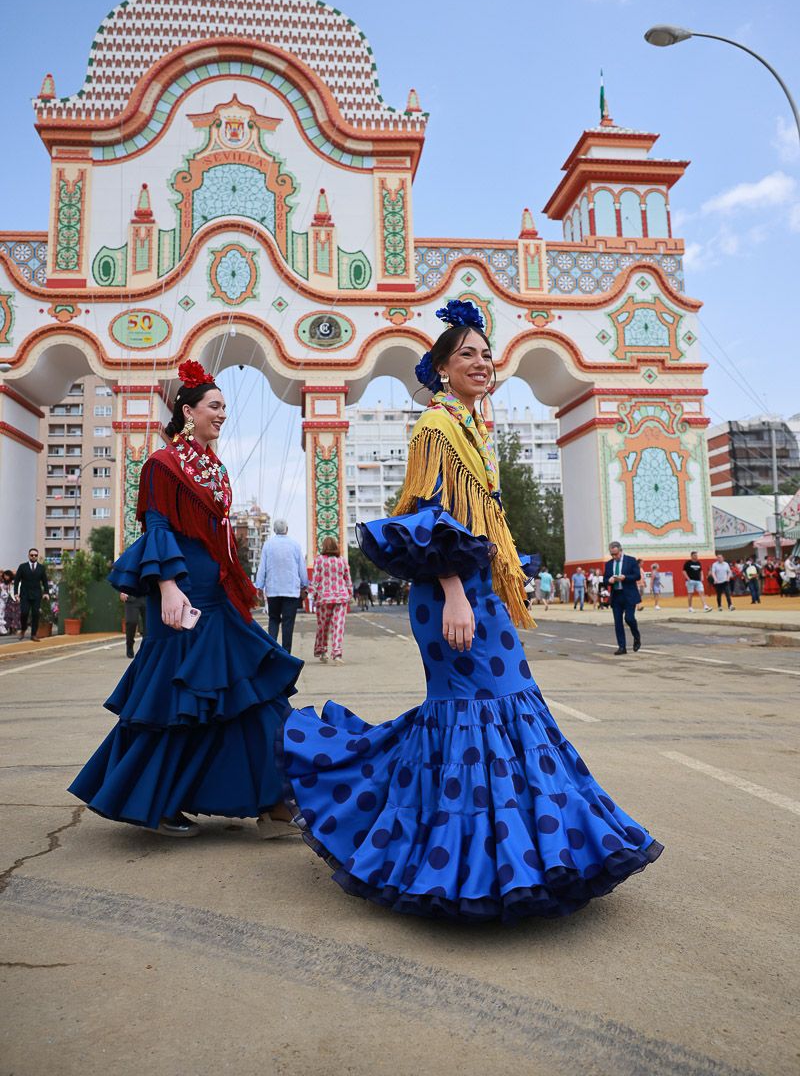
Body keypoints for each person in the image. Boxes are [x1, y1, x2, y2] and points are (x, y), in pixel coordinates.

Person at [279, 299, 662, 921]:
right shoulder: (436, 428)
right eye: (467, 355)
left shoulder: (472, 427)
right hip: (452, 592)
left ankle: (508, 857)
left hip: (477, 589)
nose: (482, 363)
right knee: (477, 715)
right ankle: (473, 865)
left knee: (500, 709)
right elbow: (429, 516)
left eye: (486, 354)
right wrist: (455, 590)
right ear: (441, 367)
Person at [68, 360, 301, 839]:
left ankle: (275, 798)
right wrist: (168, 587)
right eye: (214, 406)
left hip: (215, 593)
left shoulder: (213, 466)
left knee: (246, 691)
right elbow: (157, 525)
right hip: (182, 596)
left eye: (224, 407)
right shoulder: (162, 463)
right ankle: (152, 801)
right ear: (188, 412)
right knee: (176, 701)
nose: (222, 414)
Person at [253, 518, 307, 655]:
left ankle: (272, 651)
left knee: (273, 619)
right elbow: (301, 567)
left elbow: (262, 567)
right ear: (286, 529)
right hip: (291, 591)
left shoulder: (268, 545)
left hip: (273, 590)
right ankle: (286, 653)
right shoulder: (295, 545)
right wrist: (304, 585)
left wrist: (259, 586)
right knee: (288, 623)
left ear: (274, 530)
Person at [310, 536, 353, 665]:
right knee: (338, 625)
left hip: (324, 597)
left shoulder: (319, 560)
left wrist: (311, 593)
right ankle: (337, 653)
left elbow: (316, 579)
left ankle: (323, 651)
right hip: (341, 596)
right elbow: (348, 579)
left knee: (323, 626)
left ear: (324, 547)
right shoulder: (342, 561)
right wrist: (350, 594)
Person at [603, 543, 642, 655]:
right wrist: (609, 580)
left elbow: (637, 576)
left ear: (621, 551)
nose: (614, 556)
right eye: (612, 554)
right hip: (616, 595)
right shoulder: (609, 564)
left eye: (616, 554)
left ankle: (636, 636)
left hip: (629, 595)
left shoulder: (631, 560)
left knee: (629, 618)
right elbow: (605, 579)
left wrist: (625, 577)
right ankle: (622, 647)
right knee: (618, 622)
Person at [13, 548, 50, 642]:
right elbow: (16, 581)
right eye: (32, 555)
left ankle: (33, 634)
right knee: (24, 613)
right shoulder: (22, 567)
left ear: (37, 556)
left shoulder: (41, 568)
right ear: (28, 556)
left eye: (35, 555)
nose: (33, 556)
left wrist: (46, 593)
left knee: (35, 614)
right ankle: (23, 629)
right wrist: (16, 593)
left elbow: (45, 582)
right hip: (25, 595)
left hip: (37, 595)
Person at [120, 591, 146, 659]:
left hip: (148, 596)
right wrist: (122, 591)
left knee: (148, 625)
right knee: (131, 622)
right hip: (131, 595)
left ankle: (146, 648)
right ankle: (129, 644)